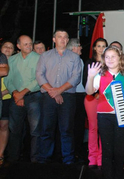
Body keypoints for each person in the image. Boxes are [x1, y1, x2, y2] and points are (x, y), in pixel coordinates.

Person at [86, 45, 124, 179]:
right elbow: (89, 92)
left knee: (120, 150)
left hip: (122, 116)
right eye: (107, 57)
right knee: (107, 150)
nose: (110, 59)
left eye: (113, 56)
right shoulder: (100, 74)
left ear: (119, 58)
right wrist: (90, 77)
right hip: (104, 116)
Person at [36, 29, 81, 164]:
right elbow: (39, 75)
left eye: (65, 37)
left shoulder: (75, 57)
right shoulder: (45, 56)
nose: (63, 39)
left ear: (68, 40)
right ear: (54, 39)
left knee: (66, 129)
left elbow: (76, 77)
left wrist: (59, 90)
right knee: (46, 128)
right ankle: (44, 159)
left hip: (67, 97)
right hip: (48, 97)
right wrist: (53, 92)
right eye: (59, 37)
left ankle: (68, 160)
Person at [4, 35, 41, 163]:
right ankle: (13, 159)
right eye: (26, 44)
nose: (29, 46)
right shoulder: (12, 60)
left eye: (30, 44)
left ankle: (35, 159)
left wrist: (23, 93)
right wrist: (15, 93)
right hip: (16, 98)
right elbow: (8, 80)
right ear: (18, 46)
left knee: (35, 130)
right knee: (15, 129)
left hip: (34, 97)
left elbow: (39, 79)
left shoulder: (38, 58)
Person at [83, 37, 108, 168]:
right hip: (91, 99)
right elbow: (84, 82)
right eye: (98, 46)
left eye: (103, 46)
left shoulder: (109, 63)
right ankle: (92, 156)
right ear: (94, 48)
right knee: (93, 128)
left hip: (106, 100)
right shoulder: (89, 62)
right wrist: (95, 93)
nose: (101, 48)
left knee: (103, 128)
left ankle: (102, 156)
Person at [67, 38, 86, 161]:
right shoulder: (74, 59)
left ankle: (74, 151)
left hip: (78, 94)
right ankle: (74, 152)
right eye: (79, 46)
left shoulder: (78, 60)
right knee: (76, 125)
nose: (81, 48)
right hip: (75, 95)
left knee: (75, 125)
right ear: (73, 48)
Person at [0, 42, 10, 167]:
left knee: (4, 126)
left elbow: (4, 71)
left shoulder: (2, 57)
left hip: (6, 97)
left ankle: (1, 154)